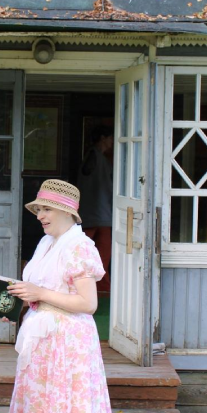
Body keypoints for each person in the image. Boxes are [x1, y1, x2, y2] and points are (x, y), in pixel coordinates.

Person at [0, 179, 123, 413]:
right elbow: (43, 293)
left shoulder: (80, 247)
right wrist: (20, 302)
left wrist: (40, 293)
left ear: (67, 211)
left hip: (68, 347)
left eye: (46, 209)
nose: (40, 216)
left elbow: (88, 304)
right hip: (42, 340)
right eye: (38, 210)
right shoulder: (45, 244)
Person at [77, 126, 114, 294]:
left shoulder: (98, 157)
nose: (112, 141)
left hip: (101, 214)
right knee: (89, 256)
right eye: (110, 137)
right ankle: (93, 291)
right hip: (94, 214)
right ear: (103, 138)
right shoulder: (94, 156)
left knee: (100, 258)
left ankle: (101, 291)